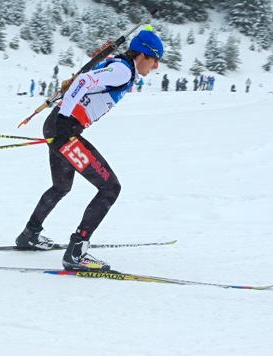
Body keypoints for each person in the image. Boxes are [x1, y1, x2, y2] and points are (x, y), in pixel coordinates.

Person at [15, 28, 163, 272]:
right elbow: (83, 81)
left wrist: (62, 115)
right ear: (143, 55)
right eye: (155, 59)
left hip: (58, 127)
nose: (156, 66)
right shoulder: (122, 69)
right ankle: (77, 251)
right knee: (110, 188)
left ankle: (29, 234)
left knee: (61, 186)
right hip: (64, 131)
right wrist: (64, 117)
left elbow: (83, 82)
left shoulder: (118, 64)